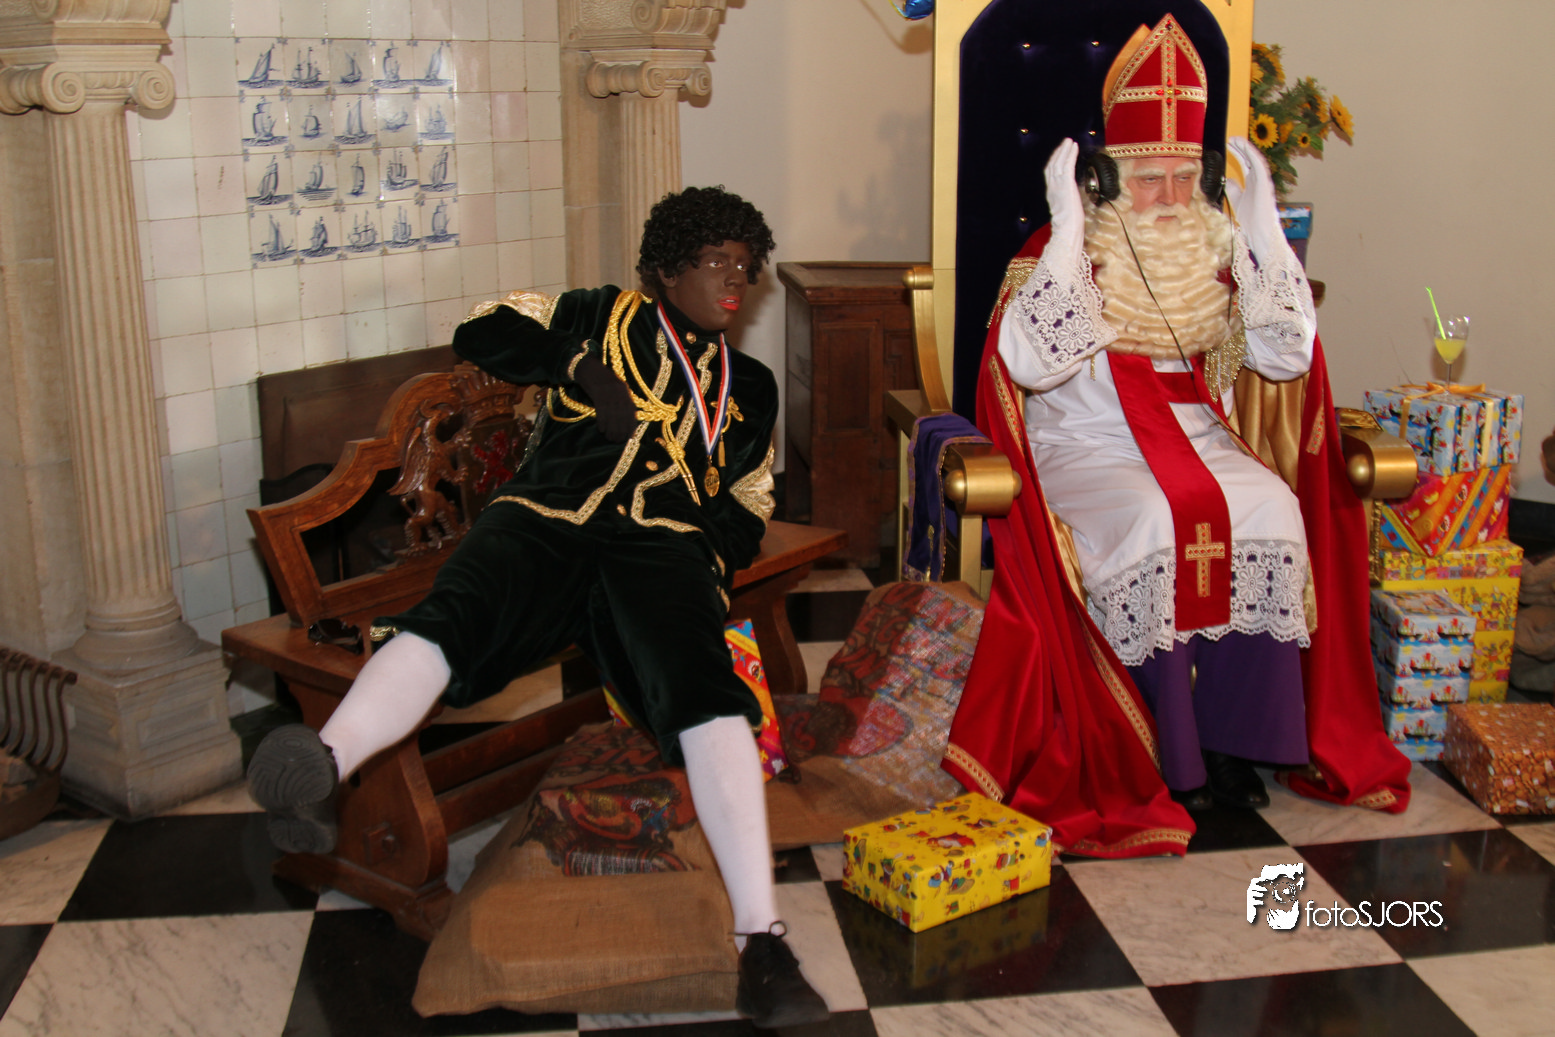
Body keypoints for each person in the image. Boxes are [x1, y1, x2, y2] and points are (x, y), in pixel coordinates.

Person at [246, 186, 829, 1029]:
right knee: (454, 619)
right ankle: (320, 772)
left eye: (745, 266)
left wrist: (708, 546)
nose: (734, 279)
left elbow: (749, 495)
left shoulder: (752, 386)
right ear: (667, 271)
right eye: (715, 262)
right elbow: (483, 329)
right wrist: (579, 367)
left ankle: (760, 941)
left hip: (660, 549)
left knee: (706, 690)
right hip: (546, 520)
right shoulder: (597, 315)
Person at [943, 15, 1410, 852]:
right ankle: (1163, 748)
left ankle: (1232, 743)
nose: (1168, 196)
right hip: (1084, 446)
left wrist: (1262, 230)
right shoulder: (1059, 251)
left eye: (1184, 176)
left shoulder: (1216, 244)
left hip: (1198, 437)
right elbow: (1026, 363)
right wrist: (1067, 233)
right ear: (1108, 174)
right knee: (1154, 518)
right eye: (1148, 177)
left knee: (1270, 508)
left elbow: (1284, 354)